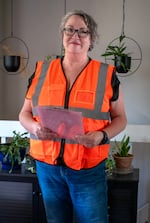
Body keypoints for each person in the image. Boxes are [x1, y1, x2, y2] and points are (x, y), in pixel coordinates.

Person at [19, 10, 127, 223]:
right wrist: (34, 128)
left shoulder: (106, 75)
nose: (75, 35)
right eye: (70, 29)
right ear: (62, 34)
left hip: (87, 169)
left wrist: (101, 136)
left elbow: (121, 119)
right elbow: (24, 113)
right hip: (47, 168)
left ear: (91, 38)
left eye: (83, 31)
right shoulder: (41, 71)